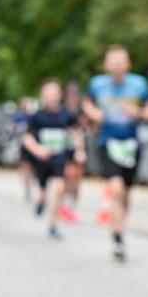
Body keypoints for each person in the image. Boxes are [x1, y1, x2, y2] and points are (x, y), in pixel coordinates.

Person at [82, 45, 148, 261]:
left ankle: (119, 227)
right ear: (106, 64)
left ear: (127, 64)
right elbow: (87, 103)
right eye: (112, 61)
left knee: (125, 192)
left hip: (131, 144)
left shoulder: (139, 84)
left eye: (120, 61)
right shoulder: (97, 84)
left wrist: (140, 112)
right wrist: (93, 112)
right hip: (107, 141)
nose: (116, 65)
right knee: (115, 188)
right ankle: (117, 236)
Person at [22, 79, 86, 240]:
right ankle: (41, 202)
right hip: (42, 161)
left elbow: (76, 133)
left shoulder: (67, 115)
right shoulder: (37, 116)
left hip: (59, 158)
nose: (52, 96)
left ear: (60, 95)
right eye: (48, 93)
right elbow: (27, 138)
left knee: (58, 188)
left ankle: (53, 226)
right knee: (43, 192)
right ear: (43, 95)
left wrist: (79, 150)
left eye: (55, 93)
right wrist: (37, 149)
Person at [59, 81, 85, 224]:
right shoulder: (62, 110)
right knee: (67, 175)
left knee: (77, 178)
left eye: (75, 94)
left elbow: (83, 129)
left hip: (78, 146)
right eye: (70, 94)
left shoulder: (81, 110)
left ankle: (72, 206)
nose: (73, 97)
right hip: (65, 146)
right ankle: (64, 206)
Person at [14, 97, 34, 203]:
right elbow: (15, 129)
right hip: (22, 145)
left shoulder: (33, 116)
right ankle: (27, 189)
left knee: (33, 168)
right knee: (25, 167)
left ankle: (32, 183)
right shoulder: (19, 116)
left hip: (33, 146)